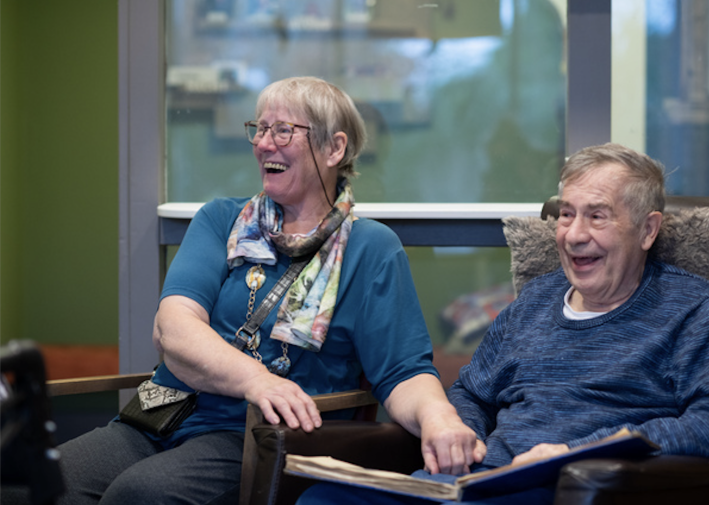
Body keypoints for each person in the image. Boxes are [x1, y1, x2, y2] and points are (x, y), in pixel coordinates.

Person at [6, 77, 479, 505]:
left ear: (334, 148)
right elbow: (173, 328)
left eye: (283, 131)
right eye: (260, 128)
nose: (263, 143)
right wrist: (257, 379)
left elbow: (402, 371)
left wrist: (439, 417)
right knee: (25, 485)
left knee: (141, 495)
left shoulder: (371, 249)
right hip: (162, 412)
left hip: (254, 435)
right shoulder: (222, 220)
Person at [297, 143, 709, 505]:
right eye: (567, 214)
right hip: (478, 483)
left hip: (572, 490)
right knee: (322, 499)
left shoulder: (694, 309)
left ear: (648, 230)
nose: (574, 234)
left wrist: (580, 452)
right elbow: (473, 392)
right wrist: (464, 436)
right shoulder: (536, 300)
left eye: (597, 216)